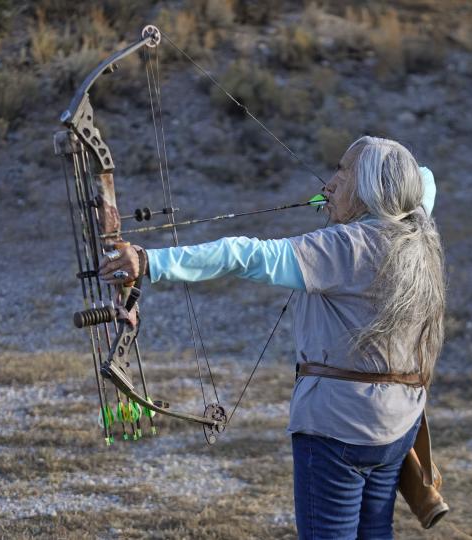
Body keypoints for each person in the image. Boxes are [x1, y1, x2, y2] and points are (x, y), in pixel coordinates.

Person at [100, 136, 446, 539]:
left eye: (342, 170)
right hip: (397, 425)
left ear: (371, 187)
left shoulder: (346, 246)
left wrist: (149, 261)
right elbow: (426, 178)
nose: (329, 184)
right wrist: (366, 190)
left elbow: (243, 255)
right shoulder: (416, 225)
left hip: (340, 429)